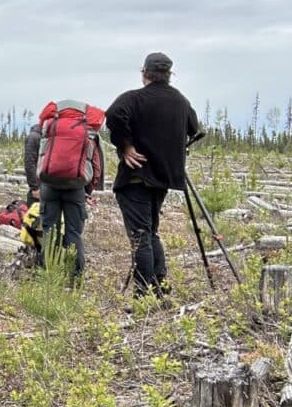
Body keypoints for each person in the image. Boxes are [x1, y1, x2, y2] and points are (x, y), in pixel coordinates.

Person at [106, 52, 200, 298]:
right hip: (163, 179)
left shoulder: (134, 98)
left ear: (145, 73)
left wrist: (126, 145)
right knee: (149, 232)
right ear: (169, 75)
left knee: (140, 236)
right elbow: (195, 128)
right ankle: (160, 285)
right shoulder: (180, 101)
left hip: (137, 177)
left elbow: (114, 114)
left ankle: (143, 293)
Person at [35, 100, 105, 284]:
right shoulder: (89, 129)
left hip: (49, 185)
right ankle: (76, 278)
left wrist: (39, 183)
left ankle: (49, 275)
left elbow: (41, 157)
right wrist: (88, 190)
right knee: (74, 232)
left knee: (50, 230)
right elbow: (96, 165)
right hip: (76, 187)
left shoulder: (50, 125)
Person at [22, 122, 42, 205]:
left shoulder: (34, 136)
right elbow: (29, 162)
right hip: (40, 184)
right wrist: (35, 187)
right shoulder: (35, 137)